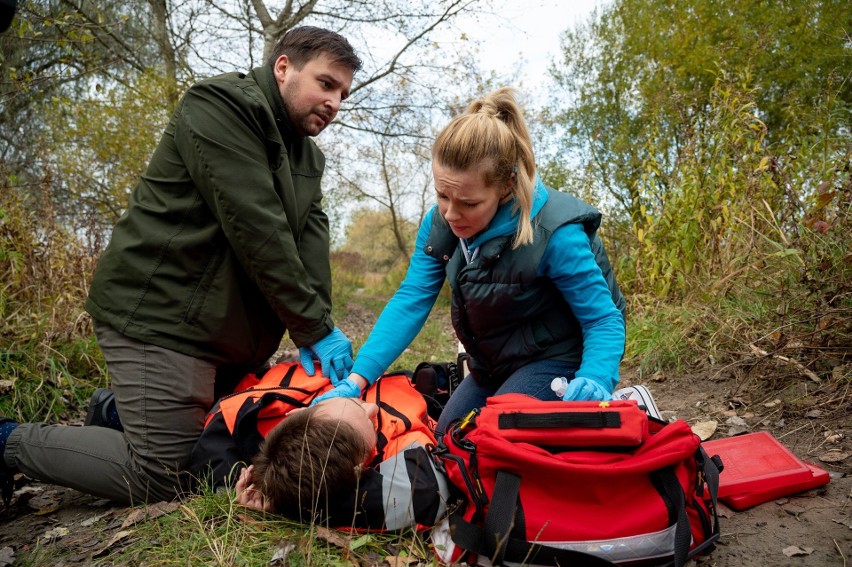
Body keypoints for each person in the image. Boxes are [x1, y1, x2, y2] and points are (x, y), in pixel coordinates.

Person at [1, 26, 361, 506]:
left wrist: (321, 330)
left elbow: (310, 247)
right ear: (283, 68)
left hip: (224, 335)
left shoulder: (307, 158)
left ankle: (114, 414)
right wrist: (310, 325)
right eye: (325, 83)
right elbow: (257, 226)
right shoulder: (220, 106)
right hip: (163, 316)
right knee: (164, 476)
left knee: (231, 445)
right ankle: (7, 440)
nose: (333, 102)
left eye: (342, 93)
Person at [313, 87, 626, 435]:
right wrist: (356, 380)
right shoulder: (440, 223)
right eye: (442, 195)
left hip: (562, 356)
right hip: (496, 361)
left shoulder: (555, 233)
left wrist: (596, 376)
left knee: (487, 437)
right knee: (449, 435)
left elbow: (603, 319)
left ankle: (628, 402)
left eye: (469, 203)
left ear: (507, 186)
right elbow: (412, 298)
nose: (451, 213)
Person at [190, 361, 449, 530]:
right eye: (369, 420)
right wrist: (297, 499)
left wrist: (272, 493)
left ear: (300, 412)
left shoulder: (262, 413)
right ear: (359, 468)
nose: (371, 407)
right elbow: (427, 492)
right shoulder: (401, 441)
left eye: (354, 401)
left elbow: (209, 449)